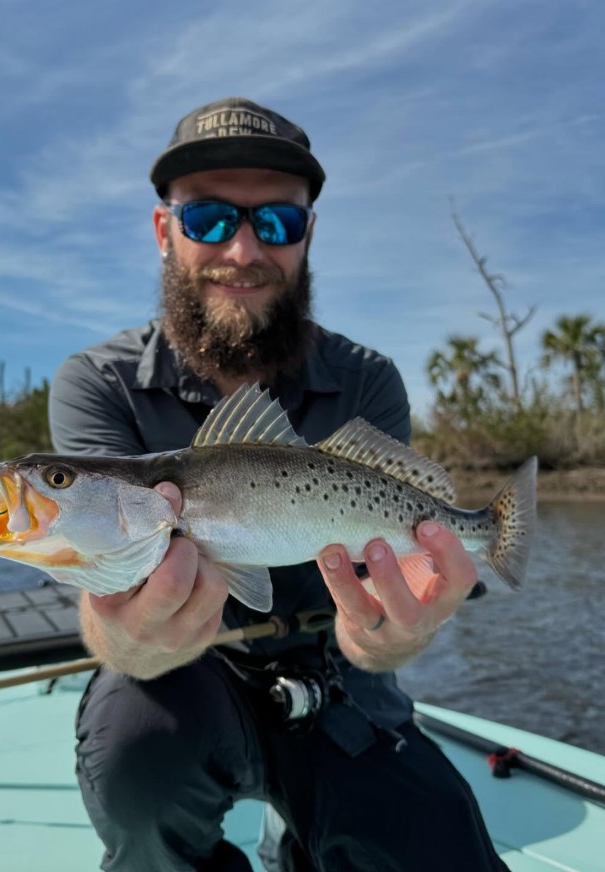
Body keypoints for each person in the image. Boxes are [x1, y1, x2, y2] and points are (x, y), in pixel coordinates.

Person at [49, 97, 509, 872]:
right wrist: (119, 635)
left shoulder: (367, 378)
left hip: (340, 680)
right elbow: (96, 573)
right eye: (206, 219)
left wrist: (388, 635)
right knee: (135, 762)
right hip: (182, 678)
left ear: (306, 236)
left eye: (275, 223)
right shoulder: (96, 382)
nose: (240, 248)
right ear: (165, 231)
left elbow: (387, 589)